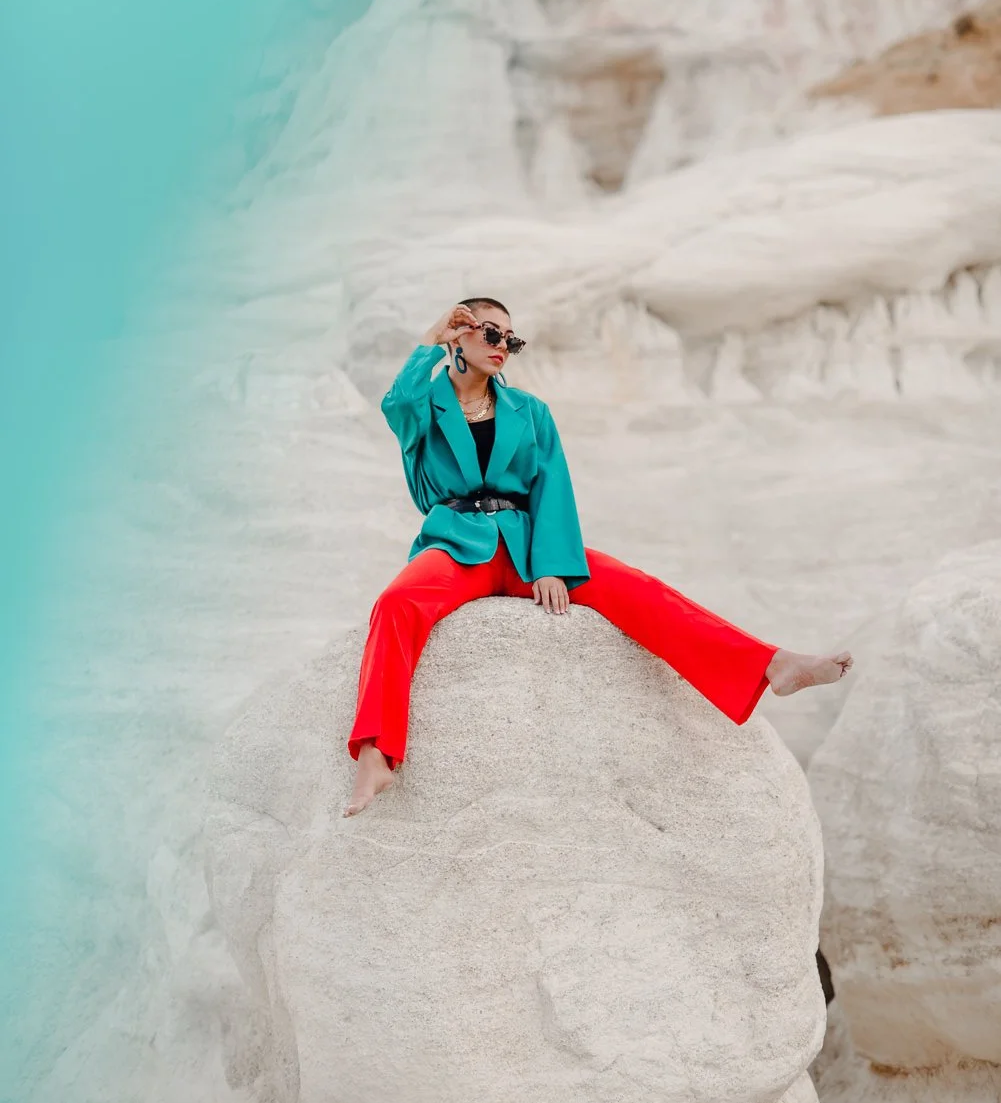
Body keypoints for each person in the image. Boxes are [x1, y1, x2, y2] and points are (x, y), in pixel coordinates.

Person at [345, 300, 852, 816]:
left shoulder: (530, 411)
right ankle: (374, 754)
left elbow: (552, 489)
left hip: (525, 543)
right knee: (397, 602)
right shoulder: (423, 407)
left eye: (512, 340)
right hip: (458, 542)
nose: (504, 348)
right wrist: (432, 337)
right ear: (459, 335)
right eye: (492, 334)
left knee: (639, 590)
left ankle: (772, 665)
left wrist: (550, 566)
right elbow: (394, 404)